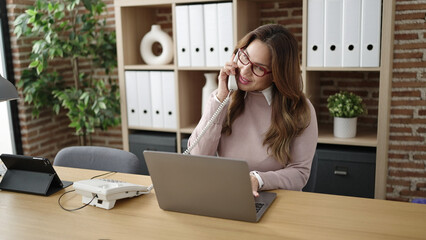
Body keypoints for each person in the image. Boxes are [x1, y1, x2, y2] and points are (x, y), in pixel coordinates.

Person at [187, 24, 318, 197]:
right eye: (244, 57)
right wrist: (220, 99)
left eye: (258, 68)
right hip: (227, 196)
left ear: (277, 74)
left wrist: (258, 180)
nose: (244, 71)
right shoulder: (224, 98)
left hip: (278, 199)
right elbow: (196, 158)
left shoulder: (300, 109)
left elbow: (299, 174)